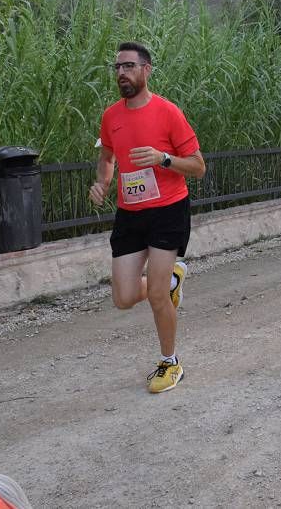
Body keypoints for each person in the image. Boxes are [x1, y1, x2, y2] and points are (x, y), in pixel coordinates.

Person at [88, 42, 206, 393]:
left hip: (168, 210)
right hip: (130, 214)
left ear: (146, 70)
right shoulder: (111, 116)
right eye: (117, 67)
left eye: (129, 66)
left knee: (155, 295)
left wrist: (162, 158)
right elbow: (107, 158)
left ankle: (170, 363)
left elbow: (198, 167)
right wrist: (102, 184)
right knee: (123, 297)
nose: (122, 73)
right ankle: (171, 283)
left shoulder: (168, 112)